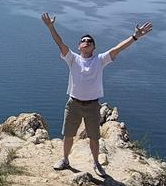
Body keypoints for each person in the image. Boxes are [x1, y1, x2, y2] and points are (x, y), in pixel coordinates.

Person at [40, 13, 153, 175]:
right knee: (69, 134)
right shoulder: (72, 59)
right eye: (83, 40)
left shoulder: (100, 60)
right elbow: (60, 44)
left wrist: (135, 36)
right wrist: (51, 27)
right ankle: (65, 159)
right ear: (79, 46)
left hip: (93, 105)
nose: (86, 42)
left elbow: (117, 49)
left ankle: (96, 163)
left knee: (94, 137)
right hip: (73, 103)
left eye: (90, 41)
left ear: (94, 47)